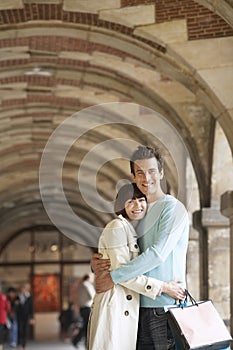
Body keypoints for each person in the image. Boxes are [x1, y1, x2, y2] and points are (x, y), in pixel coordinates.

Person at [92, 146, 189, 349]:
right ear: (133, 177)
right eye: (140, 173)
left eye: (152, 171)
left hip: (164, 307)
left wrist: (112, 277)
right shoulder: (139, 214)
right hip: (137, 306)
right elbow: (126, 254)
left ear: (161, 173)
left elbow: (157, 254)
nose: (147, 178)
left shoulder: (172, 208)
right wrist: (100, 264)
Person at [72, 274, 95, 348]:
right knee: (87, 326)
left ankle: (80, 341)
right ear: (88, 278)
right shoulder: (86, 285)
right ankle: (79, 341)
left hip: (83, 308)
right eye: (92, 277)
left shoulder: (81, 285)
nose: (93, 279)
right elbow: (93, 296)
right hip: (87, 307)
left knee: (86, 325)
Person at [17, 283, 34, 350]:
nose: (23, 290)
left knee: (25, 330)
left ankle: (24, 345)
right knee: (19, 329)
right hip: (19, 316)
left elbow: (31, 308)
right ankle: (19, 343)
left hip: (27, 316)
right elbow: (15, 306)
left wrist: (32, 317)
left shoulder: (29, 297)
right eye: (22, 289)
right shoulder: (18, 297)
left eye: (24, 289)